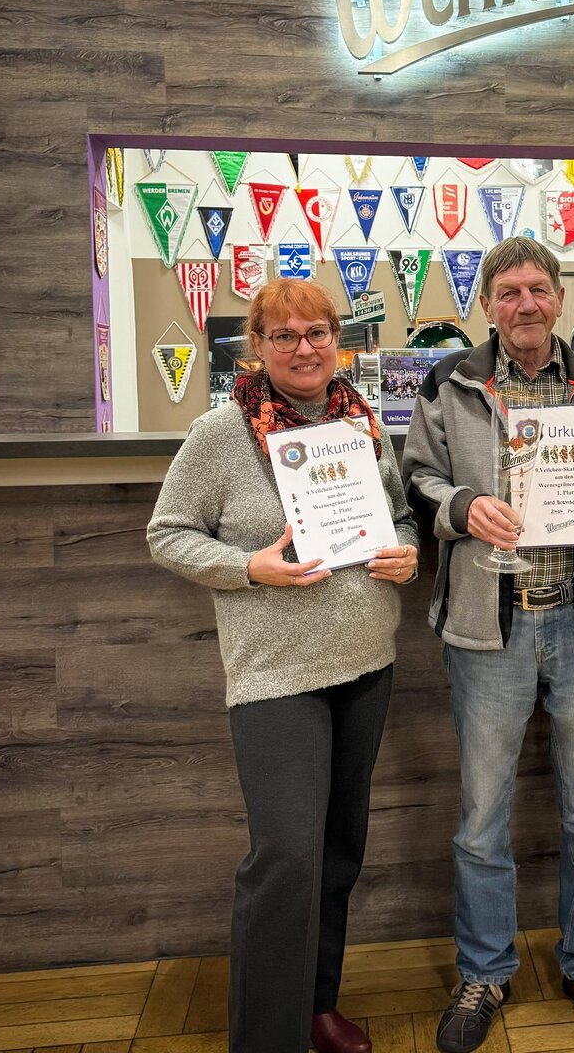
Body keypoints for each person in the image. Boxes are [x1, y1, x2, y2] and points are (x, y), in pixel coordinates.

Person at [147, 279, 420, 1053]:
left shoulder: (362, 424)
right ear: (257, 347)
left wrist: (406, 551)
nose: (304, 348)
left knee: (337, 852)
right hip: (276, 675)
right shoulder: (220, 433)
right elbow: (167, 533)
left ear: (338, 341)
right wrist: (247, 568)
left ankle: (315, 1007)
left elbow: (399, 514)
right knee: (287, 858)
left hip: (365, 661)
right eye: (284, 335)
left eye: (318, 333)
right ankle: (267, 1038)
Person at [402, 236, 574, 1053]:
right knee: (482, 817)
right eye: (508, 291)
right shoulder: (452, 381)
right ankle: (484, 970)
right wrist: (461, 507)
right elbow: (415, 478)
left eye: (538, 289)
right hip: (490, 626)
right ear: (487, 304)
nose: (525, 304)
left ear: (559, 298)